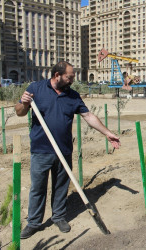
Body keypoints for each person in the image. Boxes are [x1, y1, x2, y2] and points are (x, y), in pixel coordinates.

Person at [15, 61, 121, 239]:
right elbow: (19, 112)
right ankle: (33, 223)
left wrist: (108, 133)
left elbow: (88, 116)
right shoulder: (36, 89)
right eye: (69, 77)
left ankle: (58, 217)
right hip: (41, 150)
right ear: (57, 75)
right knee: (38, 188)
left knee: (61, 186)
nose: (72, 80)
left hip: (64, 149)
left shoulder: (72, 96)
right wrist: (24, 103)